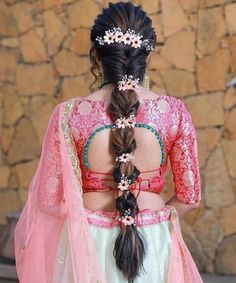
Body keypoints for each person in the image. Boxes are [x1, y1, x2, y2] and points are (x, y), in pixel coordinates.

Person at [14, 1, 203, 283]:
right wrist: (152, 219)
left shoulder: (70, 114)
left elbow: (48, 201)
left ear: (97, 57)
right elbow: (190, 198)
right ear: (146, 56)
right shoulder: (173, 113)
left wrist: (87, 219)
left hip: (86, 245)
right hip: (153, 244)